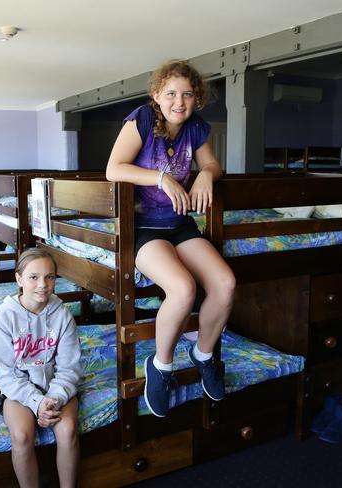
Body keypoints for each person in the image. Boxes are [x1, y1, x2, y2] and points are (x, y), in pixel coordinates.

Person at [106, 59, 236, 417]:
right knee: (183, 288)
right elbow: (113, 168)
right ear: (156, 95)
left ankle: (204, 354)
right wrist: (162, 177)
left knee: (225, 283)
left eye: (188, 94)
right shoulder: (143, 120)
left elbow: (212, 165)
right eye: (171, 94)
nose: (180, 102)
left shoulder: (195, 128)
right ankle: (161, 366)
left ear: (197, 98)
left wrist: (207, 174)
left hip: (179, 224)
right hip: (145, 226)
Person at [0, 248, 81, 488]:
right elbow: (8, 375)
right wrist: (36, 402)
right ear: (19, 279)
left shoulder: (62, 315)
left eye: (49, 277)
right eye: (33, 277)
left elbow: (69, 368)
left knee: (68, 429)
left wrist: (52, 398)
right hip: (21, 393)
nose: (43, 284)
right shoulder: (4, 317)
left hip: (56, 389)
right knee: (21, 437)